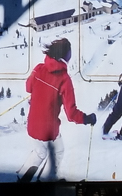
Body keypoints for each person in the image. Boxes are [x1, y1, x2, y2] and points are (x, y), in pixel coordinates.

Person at [18, 38, 95, 182]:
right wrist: (87, 118)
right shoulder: (64, 79)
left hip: (31, 125)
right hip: (48, 129)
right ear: (66, 57)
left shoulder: (39, 68)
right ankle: (47, 181)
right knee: (58, 151)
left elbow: (28, 87)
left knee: (40, 151)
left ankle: (22, 178)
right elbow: (71, 114)